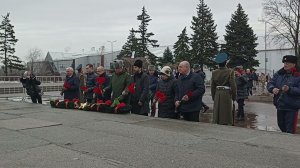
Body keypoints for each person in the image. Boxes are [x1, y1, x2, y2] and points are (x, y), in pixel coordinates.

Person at [267, 55, 300, 134]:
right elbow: (270, 83)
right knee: (281, 125)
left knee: (289, 130)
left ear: (294, 64)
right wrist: (272, 88)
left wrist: (290, 89)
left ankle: (288, 145)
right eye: (284, 63)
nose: (285, 65)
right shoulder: (279, 74)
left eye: (287, 63)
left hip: (292, 107)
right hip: (280, 105)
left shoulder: (298, 75)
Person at [211, 53, 237, 125]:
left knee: (217, 116)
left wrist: (214, 97)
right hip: (226, 94)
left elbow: (212, 86)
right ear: (226, 62)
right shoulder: (230, 71)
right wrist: (234, 97)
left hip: (217, 94)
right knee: (226, 115)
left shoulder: (214, 72)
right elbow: (233, 85)